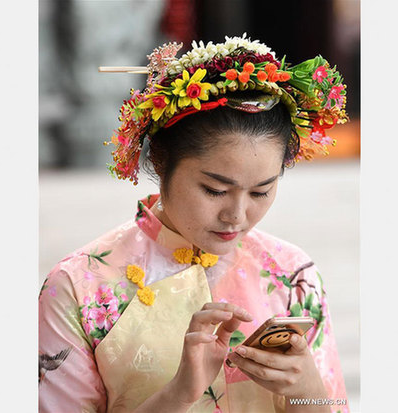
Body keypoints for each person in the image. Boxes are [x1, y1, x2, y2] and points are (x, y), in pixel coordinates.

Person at [39, 34, 350, 413]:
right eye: (215, 189)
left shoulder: (292, 274)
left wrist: (307, 388)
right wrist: (177, 396)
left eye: (260, 192)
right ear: (159, 162)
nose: (237, 215)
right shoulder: (79, 287)